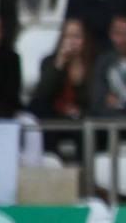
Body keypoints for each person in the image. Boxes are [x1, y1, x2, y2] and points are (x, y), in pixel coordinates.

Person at [31, 18, 95, 159]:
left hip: (82, 118)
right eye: (67, 36)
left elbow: (94, 97)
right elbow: (42, 95)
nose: (72, 41)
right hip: (56, 116)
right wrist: (59, 64)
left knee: (85, 129)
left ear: (85, 39)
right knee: (42, 114)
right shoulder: (49, 62)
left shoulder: (94, 64)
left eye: (76, 36)